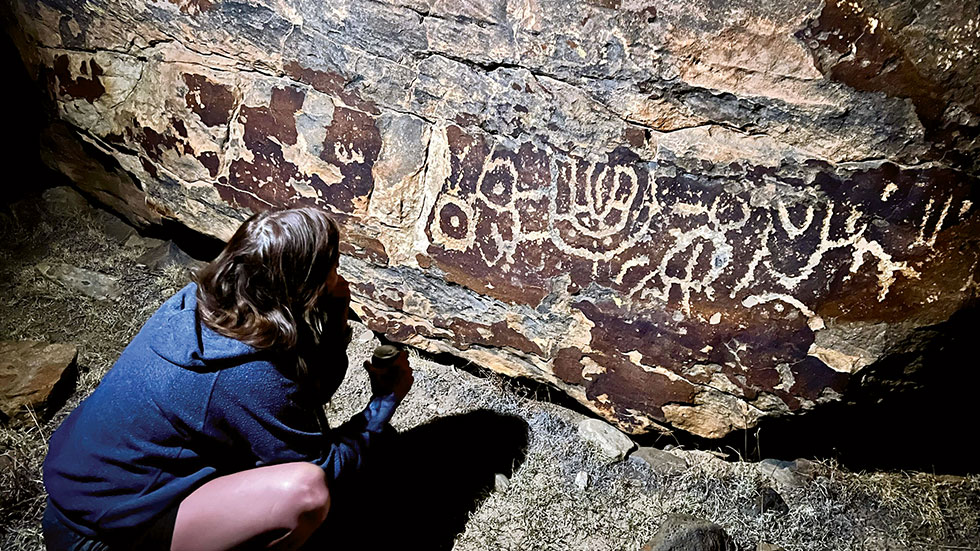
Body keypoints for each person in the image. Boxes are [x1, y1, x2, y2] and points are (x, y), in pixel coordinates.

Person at [42, 207, 413, 551]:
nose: (339, 277)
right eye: (331, 268)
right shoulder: (249, 374)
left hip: (87, 495)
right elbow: (321, 465)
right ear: (306, 290)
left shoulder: (208, 301)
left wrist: (334, 317)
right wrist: (380, 410)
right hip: (98, 535)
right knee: (304, 493)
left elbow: (305, 395)